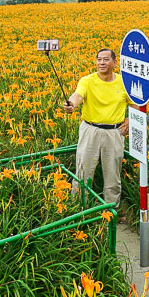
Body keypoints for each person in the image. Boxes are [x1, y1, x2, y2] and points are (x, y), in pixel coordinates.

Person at [62, 48, 132, 206]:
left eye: (106, 59)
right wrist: (71, 104)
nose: (102, 62)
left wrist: (130, 120)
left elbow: (137, 105)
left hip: (115, 132)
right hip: (90, 130)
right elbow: (78, 95)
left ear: (115, 63)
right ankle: (78, 210)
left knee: (113, 176)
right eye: (99, 59)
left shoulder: (124, 83)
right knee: (83, 172)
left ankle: (111, 212)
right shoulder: (87, 81)